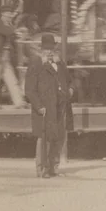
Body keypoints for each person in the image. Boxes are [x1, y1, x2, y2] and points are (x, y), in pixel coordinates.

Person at [25, 33, 69, 178]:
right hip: (45, 107)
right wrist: (38, 106)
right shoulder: (36, 63)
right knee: (44, 139)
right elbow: (29, 90)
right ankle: (42, 169)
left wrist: (69, 89)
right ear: (41, 49)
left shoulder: (59, 64)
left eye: (52, 49)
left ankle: (54, 168)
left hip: (58, 106)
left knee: (58, 137)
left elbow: (67, 79)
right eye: (46, 49)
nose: (49, 52)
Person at [0, 8, 24, 108]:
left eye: (10, 14)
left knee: (11, 79)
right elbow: (9, 32)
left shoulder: (7, 25)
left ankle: (19, 102)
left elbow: (12, 35)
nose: (9, 16)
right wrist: (17, 30)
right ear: (3, 14)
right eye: (8, 14)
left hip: (4, 57)